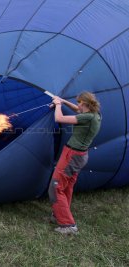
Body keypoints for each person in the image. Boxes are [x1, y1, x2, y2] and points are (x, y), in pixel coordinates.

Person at [48, 92, 101, 235]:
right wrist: (64, 102)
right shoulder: (95, 114)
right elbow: (78, 110)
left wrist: (58, 105)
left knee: (55, 187)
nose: (77, 105)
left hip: (72, 156)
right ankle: (59, 214)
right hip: (80, 156)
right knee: (66, 187)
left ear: (85, 103)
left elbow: (59, 118)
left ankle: (68, 225)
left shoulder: (87, 118)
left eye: (79, 102)